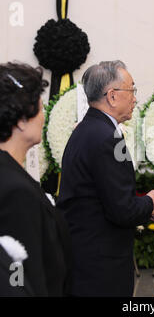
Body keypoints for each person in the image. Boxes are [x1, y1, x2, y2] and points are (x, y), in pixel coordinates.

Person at [57, 61, 154, 297]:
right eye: (132, 91)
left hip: (84, 257)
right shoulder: (104, 137)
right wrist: (152, 203)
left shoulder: (88, 130)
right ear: (112, 96)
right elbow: (122, 209)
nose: (135, 99)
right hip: (99, 267)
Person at [0, 62, 72, 296]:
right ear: (22, 120)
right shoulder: (15, 191)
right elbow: (21, 276)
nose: (43, 118)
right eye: (41, 109)